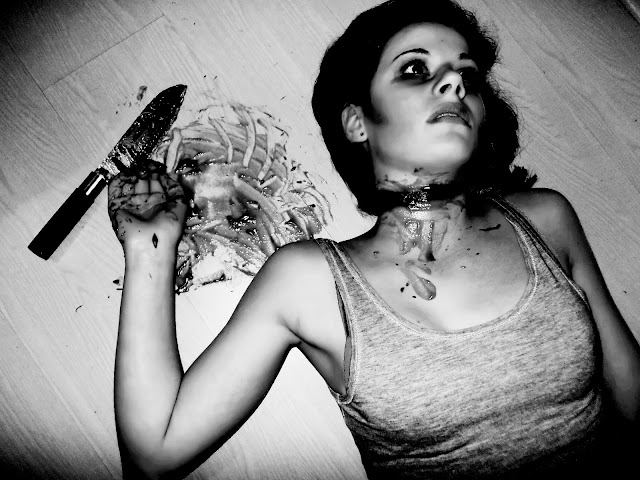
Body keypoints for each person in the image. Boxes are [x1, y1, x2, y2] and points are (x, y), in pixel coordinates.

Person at [108, 0, 640, 478]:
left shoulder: (545, 218)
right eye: (416, 69)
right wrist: (150, 249)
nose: (456, 85)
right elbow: (156, 452)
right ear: (357, 122)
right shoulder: (308, 281)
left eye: (468, 75)